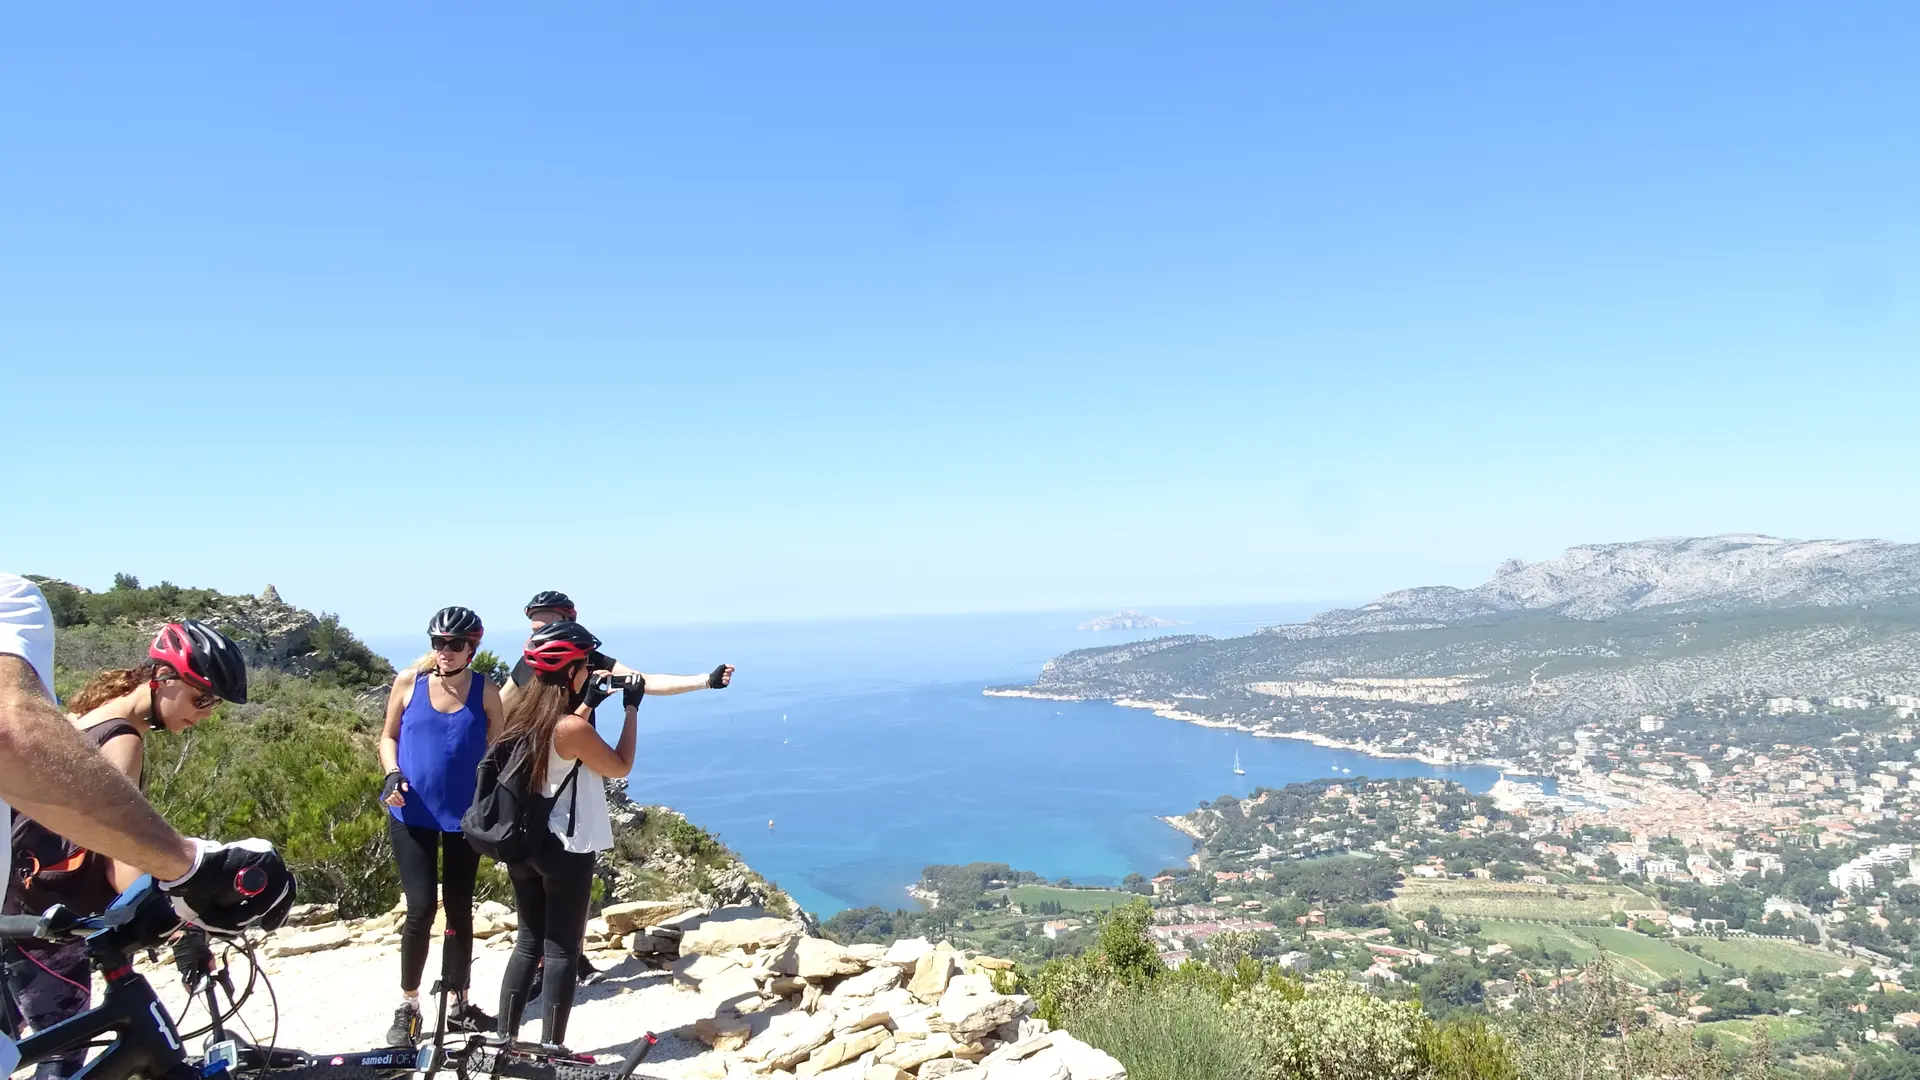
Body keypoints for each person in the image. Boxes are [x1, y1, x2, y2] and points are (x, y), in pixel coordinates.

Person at [0, 573, 296, 1078]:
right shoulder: (123, 739)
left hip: (15, 911)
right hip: (52, 926)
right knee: (63, 1063)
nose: (205, 715)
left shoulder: (87, 714)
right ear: (161, 680)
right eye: (202, 699)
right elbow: (118, 858)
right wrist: (190, 913)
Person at [502, 590, 733, 994]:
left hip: (575, 769)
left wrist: (704, 681)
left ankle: (563, 958)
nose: (537, 631)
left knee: (568, 876)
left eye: (545, 622)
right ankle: (551, 964)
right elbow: (501, 710)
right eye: (534, 624)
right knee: (551, 878)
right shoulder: (532, 664)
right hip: (546, 775)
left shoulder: (589, 660)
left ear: (566, 620)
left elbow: (642, 681)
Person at [493, 620, 637, 1049]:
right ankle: (551, 1051)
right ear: (571, 672)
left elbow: (554, 749)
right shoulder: (569, 727)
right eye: (584, 668)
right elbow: (619, 764)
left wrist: (587, 705)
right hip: (566, 846)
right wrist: (631, 710)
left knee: (527, 943)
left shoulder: (519, 714)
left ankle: (504, 1041)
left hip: (523, 841)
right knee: (560, 952)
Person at [377, 607, 503, 1044]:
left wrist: (496, 803)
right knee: (419, 908)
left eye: (454, 644)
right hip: (410, 814)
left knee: (459, 909)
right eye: (438, 643)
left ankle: (458, 1003)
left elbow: (498, 752)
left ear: (473, 647)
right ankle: (409, 1004)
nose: (445, 652)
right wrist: (392, 772)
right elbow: (388, 735)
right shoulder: (408, 683)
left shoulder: (486, 692)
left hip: (464, 819)